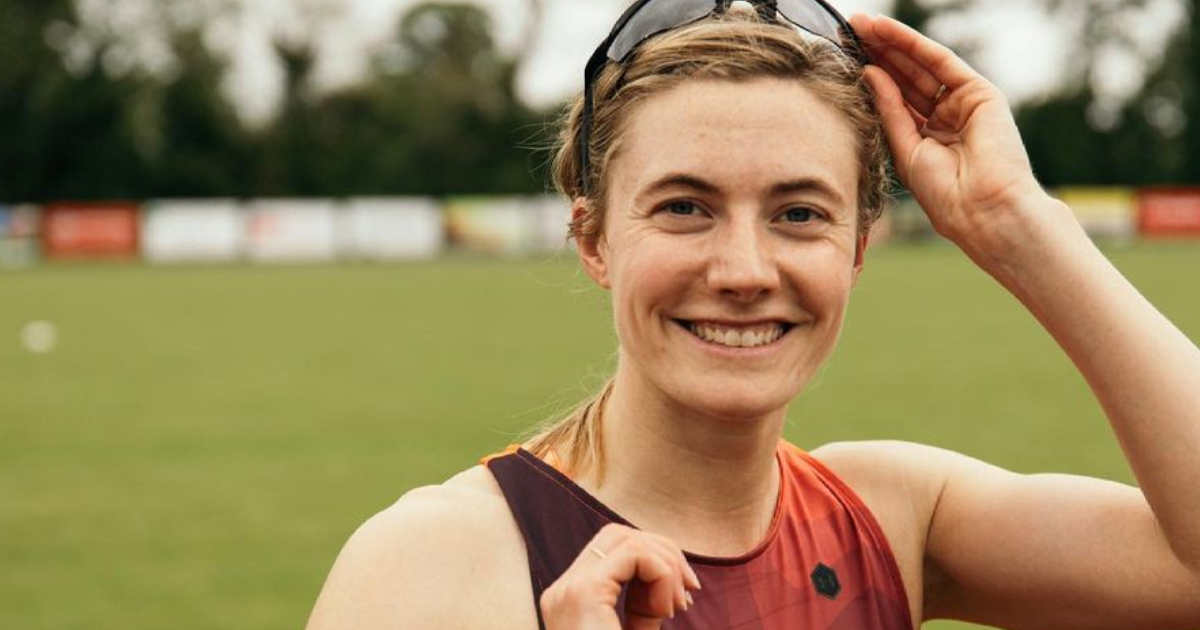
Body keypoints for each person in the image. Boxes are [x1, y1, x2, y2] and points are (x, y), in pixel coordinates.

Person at [305, 1, 1200, 628]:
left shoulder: (893, 517)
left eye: (799, 213)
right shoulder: (443, 559)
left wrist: (1020, 225)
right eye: (684, 207)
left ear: (857, 249)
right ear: (594, 240)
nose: (743, 270)